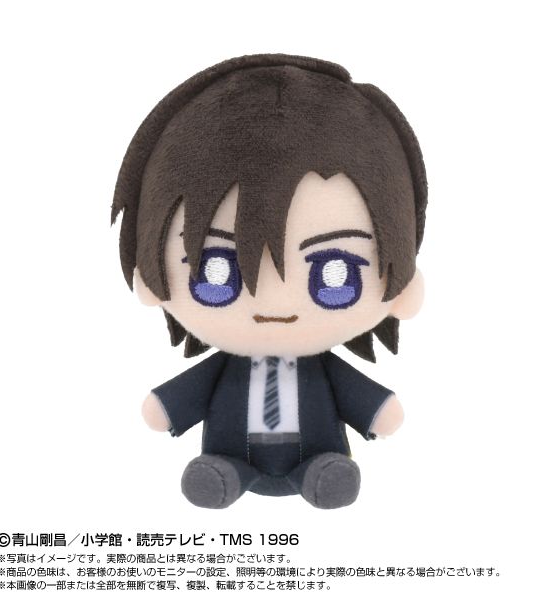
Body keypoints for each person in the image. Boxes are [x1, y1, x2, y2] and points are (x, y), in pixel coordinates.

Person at [112, 53, 428, 509]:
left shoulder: (323, 371)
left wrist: (377, 410)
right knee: (220, 470)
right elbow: (176, 401)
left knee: (325, 469)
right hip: (230, 454)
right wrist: (167, 406)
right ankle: (224, 475)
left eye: (334, 272)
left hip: (316, 455)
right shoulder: (226, 368)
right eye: (217, 270)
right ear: (150, 276)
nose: (275, 303)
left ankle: (321, 475)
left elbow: (367, 402)